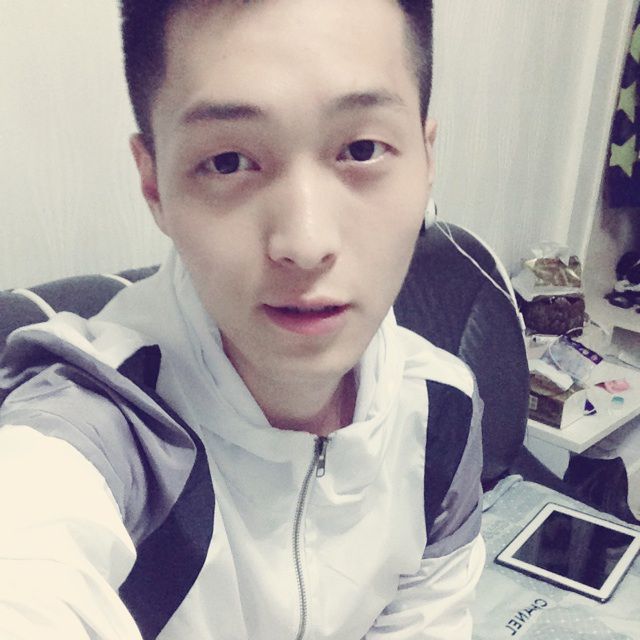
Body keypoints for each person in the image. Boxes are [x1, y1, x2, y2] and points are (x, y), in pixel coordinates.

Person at [0, 1, 486, 638]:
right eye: (228, 161)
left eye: (362, 149)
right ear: (153, 185)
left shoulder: (442, 409)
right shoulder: (102, 425)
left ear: (426, 160)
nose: (305, 243)